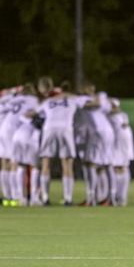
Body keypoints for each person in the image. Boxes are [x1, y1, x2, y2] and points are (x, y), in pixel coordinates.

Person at [32, 77, 82, 206]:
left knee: (46, 162)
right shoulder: (73, 99)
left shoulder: (49, 100)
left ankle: (45, 199)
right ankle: (68, 199)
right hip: (66, 129)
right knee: (67, 164)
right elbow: (87, 103)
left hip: (49, 129)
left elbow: (34, 112)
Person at [107, 98, 134, 206]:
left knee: (121, 167)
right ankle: (117, 196)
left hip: (121, 142)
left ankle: (121, 197)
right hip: (118, 142)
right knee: (117, 168)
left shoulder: (117, 115)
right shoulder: (121, 115)